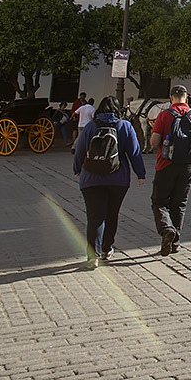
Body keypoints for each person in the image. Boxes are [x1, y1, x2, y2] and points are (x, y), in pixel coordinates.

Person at [72, 96, 145, 269]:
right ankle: (106, 249)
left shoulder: (90, 127)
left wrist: (77, 169)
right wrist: (140, 173)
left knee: (95, 217)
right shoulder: (125, 126)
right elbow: (134, 152)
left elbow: (79, 150)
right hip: (118, 180)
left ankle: (93, 256)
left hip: (91, 179)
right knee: (112, 214)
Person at [148, 85, 191, 257]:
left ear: (171, 98)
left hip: (165, 164)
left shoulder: (164, 115)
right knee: (179, 204)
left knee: (159, 202)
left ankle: (167, 229)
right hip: (188, 166)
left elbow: (153, 142)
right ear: (186, 98)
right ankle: (175, 243)